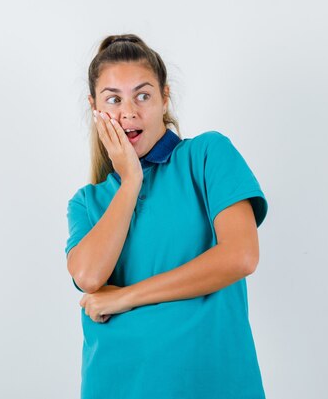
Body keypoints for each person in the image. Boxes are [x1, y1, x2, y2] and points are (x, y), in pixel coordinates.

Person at [64, 34, 269, 399]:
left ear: (164, 98)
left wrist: (124, 297)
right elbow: (89, 275)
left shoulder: (207, 155)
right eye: (113, 99)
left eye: (143, 95)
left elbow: (241, 256)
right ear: (95, 107)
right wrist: (130, 182)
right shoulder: (86, 202)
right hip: (118, 386)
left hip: (212, 384)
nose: (128, 112)